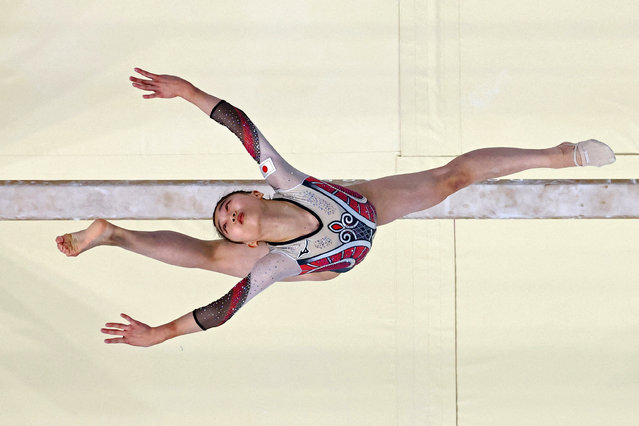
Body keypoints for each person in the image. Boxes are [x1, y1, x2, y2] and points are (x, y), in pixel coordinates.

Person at [56, 68, 616, 347]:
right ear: (247, 238)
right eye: (228, 223)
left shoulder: (285, 180)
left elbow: (241, 126)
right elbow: (224, 309)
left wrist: (187, 91)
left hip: (367, 210)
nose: (228, 216)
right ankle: (114, 236)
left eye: (229, 205)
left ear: (255, 193)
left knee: (452, 179)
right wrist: (161, 333)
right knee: (209, 258)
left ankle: (562, 153)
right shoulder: (267, 262)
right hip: (325, 255)